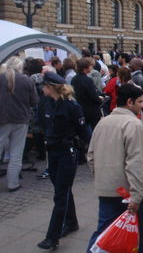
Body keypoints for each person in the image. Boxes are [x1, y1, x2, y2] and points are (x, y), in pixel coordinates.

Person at [86, 84, 143, 253]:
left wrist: (102, 178)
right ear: (129, 101)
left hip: (107, 189)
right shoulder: (134, 124)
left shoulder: (102, 123)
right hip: (129, 192)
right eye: (140, 102)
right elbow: (136, 162)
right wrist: (137, 195)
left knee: (104, 229)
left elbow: (90, 156)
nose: (142, 105)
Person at [37, 72, 87, 250]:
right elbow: (44, 124)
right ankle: (71, 222)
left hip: (67, 153)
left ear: (52, 87)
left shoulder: (72, 106)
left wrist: (86, 154)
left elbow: (83, 132)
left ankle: (52, 237)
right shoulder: (47, 103)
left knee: (60, 194)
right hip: (53, 152)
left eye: (44, 85)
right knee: (62, 189)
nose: (42, 88)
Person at [0, 56, 39, 192]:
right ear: (20, 67)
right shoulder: (26, 80)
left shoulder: (1, 78)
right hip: (20, 119)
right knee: (16, 154)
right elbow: (34, 101)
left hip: (2, 118)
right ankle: (13, 183)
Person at [71, 58, 103, 132]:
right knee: (95, 131)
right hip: (91, 111)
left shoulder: (74, 79)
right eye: (90, 66)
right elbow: (93, 95)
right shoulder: (88, 80)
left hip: (81, 108)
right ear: (85, 68)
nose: (91, 67)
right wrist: (100, 101)